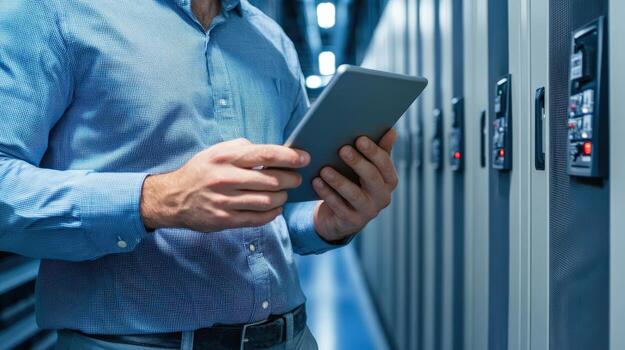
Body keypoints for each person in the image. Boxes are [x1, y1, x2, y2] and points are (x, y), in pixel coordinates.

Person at [0, 0, 398, 349]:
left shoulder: (271, 41)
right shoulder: (54, 12)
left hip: (291, 337)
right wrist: (156, 200)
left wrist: (325, 222)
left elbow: (283, 203)